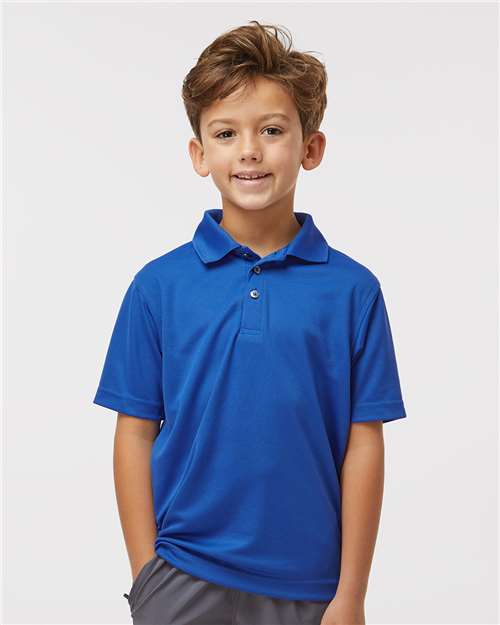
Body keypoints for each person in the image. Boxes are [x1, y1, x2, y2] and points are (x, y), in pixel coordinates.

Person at [93, 20, 407, 625]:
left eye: (272, 130)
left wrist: (351, 595)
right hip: (182, 575)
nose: (250, 151)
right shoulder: (158, 286)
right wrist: (145, 576)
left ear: (311, 148)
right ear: (199, 154)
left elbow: (364, 443)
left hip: (310, 586)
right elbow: (134, 431)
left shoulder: (353, 292)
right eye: (226, 133)